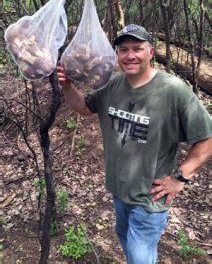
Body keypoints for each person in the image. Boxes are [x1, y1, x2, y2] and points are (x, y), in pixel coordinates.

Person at [57, 24, 212, 264]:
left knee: (140, 254)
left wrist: (179, 179)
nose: (130, 55)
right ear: (117, 54)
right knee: (125, 238)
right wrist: (67, 86)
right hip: (120, 191)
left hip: (149, 198)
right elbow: (85, 107)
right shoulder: (113, 86)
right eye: (124, 49)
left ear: (150, 52)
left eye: (137, 49)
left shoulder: (173, 90)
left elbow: (207, 138)